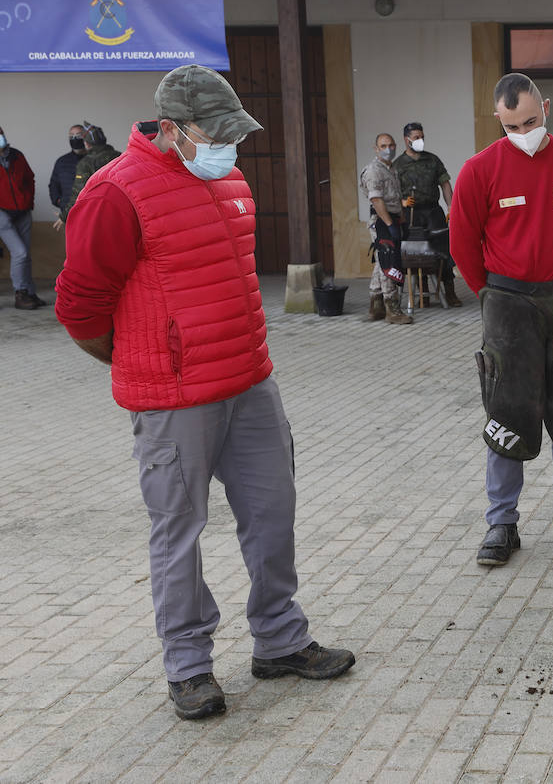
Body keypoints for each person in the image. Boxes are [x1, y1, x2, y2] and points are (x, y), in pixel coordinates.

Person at [54, 66, 355, 722]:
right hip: (173, 399)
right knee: (179, 530)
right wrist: (140, 361)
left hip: (249, 382)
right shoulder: (115, 193)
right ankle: (188, 664)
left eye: (233, 135)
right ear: (169, 130)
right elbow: (79, 304)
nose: (229, 147)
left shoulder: (230, 179)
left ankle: (279, 638)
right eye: (213, 135)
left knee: (274, 512)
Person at [450, 72, 553, 566]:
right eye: (512, 125)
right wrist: (491, 294)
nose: (524, 133)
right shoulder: (479, 170)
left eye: (531, 121)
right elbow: (462, 242)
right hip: (506, 303)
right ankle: (502, 522)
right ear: (497, 119)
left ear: (546, 108)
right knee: (508, 414)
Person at [394, 121, 461, 307]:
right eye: (416, 138)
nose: (420, 141)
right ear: (406, 140)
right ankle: (422, 292)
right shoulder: (398, 165)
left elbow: (445, 184)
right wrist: (401, 203)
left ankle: (449, 291)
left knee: (444, 249)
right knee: (416, 252)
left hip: (432, 212)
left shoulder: (432, 160)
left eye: (422, 137)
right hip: (410, 214)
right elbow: (391, 193)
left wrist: (451, 208)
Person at [359, 132, 412, 325]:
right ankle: (393, 308)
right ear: (376, 149)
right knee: (388, 260)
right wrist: (389, 224)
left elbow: (396, 197)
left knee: (381, 261)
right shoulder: (374, 170)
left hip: (394, 218)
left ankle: (376, 306)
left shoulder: (391, 169)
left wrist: (401, 219)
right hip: (382, 220)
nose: (388, 149)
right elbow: (376, 199)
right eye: (383, 146)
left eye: (391, 145)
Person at [0, 124, 46, 310]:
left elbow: (30, 178)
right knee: (20, 253)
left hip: (23, 210)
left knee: (26, 255)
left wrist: (29, 201)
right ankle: (20, 293)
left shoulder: (16, 155)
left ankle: (29, 292)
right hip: (2, 212)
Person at [67, 122, 120, 215]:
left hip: (96, 212)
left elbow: (78, 193)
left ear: (86, 144)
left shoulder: (86, 163)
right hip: (120, 209)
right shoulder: (121, 157)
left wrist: (64, 216)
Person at [49, 123, 87, 229]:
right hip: (68, 215)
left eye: (78, 135)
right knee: (71, 245)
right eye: (72, 136)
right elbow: (53, 184)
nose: (75, 139)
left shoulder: (94, 161)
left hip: (90, 215)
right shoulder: (61, 161)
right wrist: (58, 201)